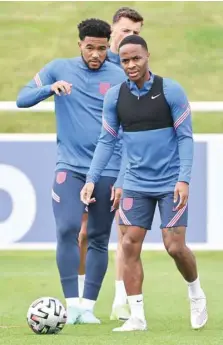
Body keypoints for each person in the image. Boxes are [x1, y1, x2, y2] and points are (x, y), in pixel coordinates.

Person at [80, 35, 208, 332]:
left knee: (174, 247)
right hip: (136, 182)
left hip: (169, 182)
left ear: (147, 55)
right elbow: (106, 141)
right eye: (125, 60)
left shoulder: (171, 90)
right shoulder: (115, 96)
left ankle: (195, 292)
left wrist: (184, 179)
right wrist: (91, 179)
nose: (131, 65)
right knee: (128, 244)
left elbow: (186, 138)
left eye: (136, 58)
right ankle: (136, 316)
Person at [16, 18, 126, 325]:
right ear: (80, 44)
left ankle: (87, 308)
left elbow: (130, 129)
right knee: (66, 229)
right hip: (70, 167)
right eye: (90, 48)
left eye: (102, 49)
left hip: (107, 169)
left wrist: (122, 176)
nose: (95, 54)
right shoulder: (58, 68)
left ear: (108, 47)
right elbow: (21, 98)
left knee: (98, 236)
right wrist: (48, 89)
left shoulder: (119, 76)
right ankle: (70, 303)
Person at [77, 7, 144, 321]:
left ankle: (120, 299)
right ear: (112, 30)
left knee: (124, 232)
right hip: (86, 160)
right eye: (126, 31)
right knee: (81, 231)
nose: (131, 37)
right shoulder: (93, 63)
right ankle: (77, 299)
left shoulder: (132, 72)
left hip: (122, 164)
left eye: (136, 33)